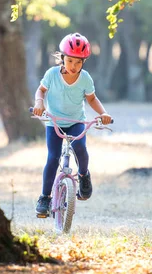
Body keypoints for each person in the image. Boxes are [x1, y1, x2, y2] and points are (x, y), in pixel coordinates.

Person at [32, 32, 112, 218]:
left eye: (78, 62)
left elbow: (91, 99)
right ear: (62, 58)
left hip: (77, 122)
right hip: (54, 123)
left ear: (83, 62)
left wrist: (103, 114)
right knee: (53, 158)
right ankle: (45, 197)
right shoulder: (52, 74)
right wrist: (38, 103)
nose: (74, 66)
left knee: (80, 149)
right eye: (70, 61)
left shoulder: (85, 78)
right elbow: (41, 91)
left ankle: (83, 176)